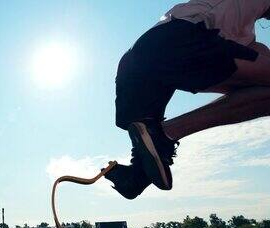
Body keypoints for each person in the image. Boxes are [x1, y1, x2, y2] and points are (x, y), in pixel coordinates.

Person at [105, 0, 270, 199]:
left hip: (136, 60)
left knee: (146, 143)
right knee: (155, 135)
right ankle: (166, 133)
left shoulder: (243, 38)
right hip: (180, 39)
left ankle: (135, 176)